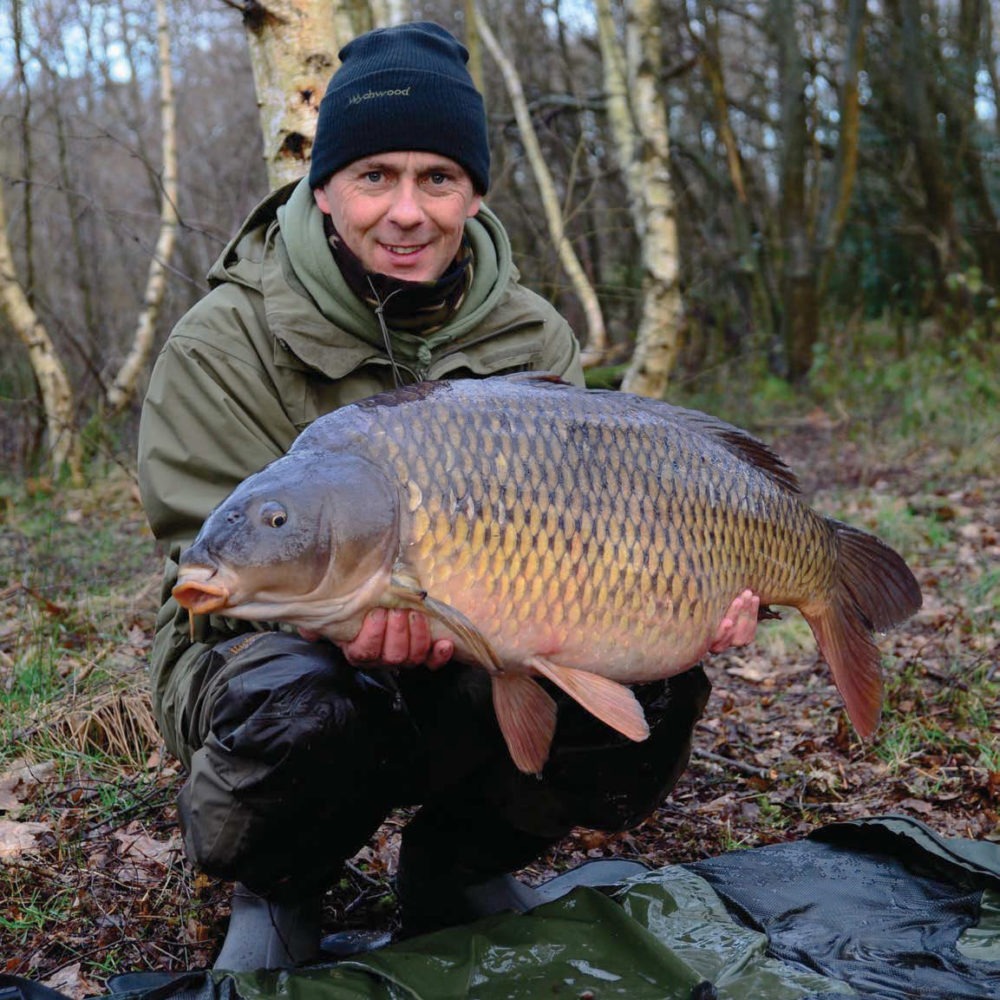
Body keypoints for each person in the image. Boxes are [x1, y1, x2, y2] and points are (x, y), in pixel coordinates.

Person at [137, 21, 759, 972]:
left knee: (657, 685)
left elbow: (594, 533)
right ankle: (281, 888)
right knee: (297, 699)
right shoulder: (221, 345)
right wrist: (334, 623)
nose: (406, 211)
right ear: (324, 184)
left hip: (483, 634)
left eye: (438, 178)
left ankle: (457, 867)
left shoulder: (531, 335)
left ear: (474, 191)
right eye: (374, 175)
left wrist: (672, 607)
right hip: (272, 659)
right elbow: (206, 584)